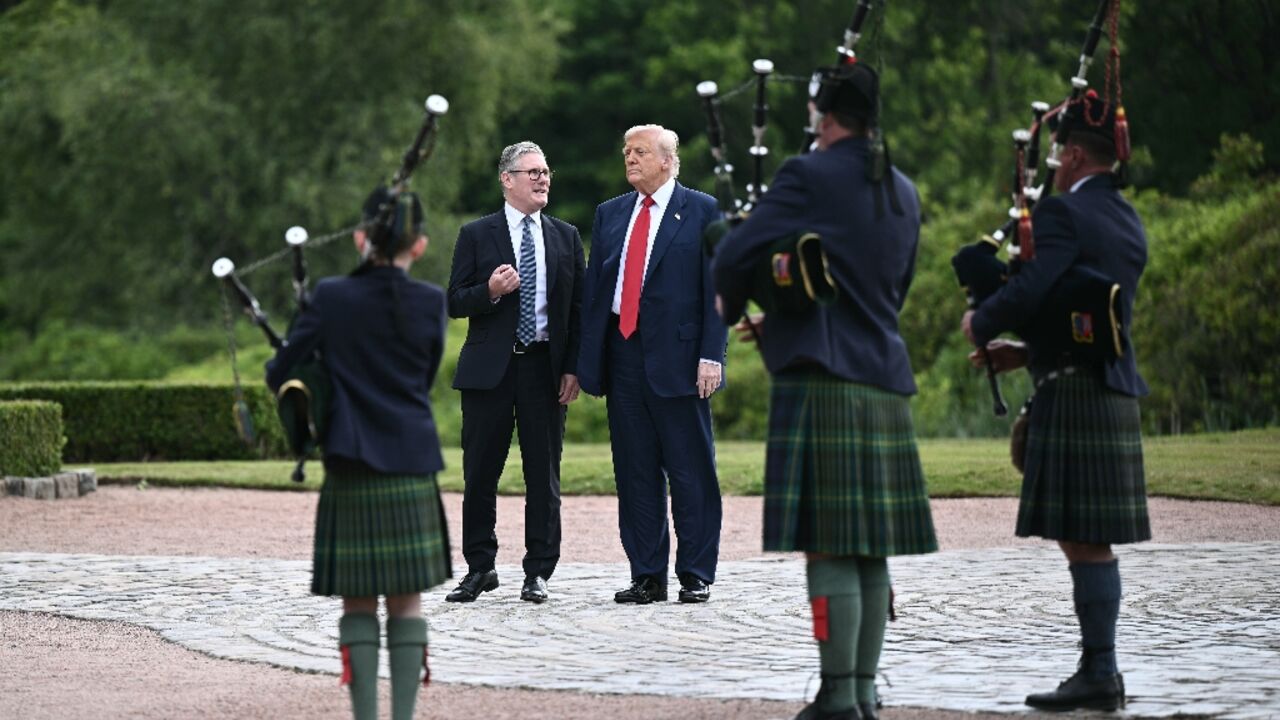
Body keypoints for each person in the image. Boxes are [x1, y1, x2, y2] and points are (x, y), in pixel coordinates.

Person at [712, 63, 937, 720]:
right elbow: (894, 288)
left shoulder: (805, 173)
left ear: (824, 114)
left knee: (828, 541)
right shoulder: (904, 189)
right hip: (885, 376)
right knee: (869, 544)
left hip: (823, 377)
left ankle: (837, 697)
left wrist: (743, 305)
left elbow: (734, 252)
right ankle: (861, 693)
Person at [962, 95, 1149, 713]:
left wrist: (981, 322)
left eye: (1058, 156)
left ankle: (1101, 671)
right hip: (1108, 381)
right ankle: (1100, 668)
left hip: (1077, 392)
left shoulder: (1066, 213)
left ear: (1071, 155)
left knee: (1084, 536)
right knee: (1085, 535)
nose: (1055, 167)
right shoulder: (1126, 218)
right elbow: (1082, 304)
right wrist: (1028, 349)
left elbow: (1037, 285)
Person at [265, 187, 450, 720]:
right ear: (418, 246)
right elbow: (423, 372)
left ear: (360, 239)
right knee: (407, 600)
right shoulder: (430, 301)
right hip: (412, 457)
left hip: (350, 458)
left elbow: (280, 372)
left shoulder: (329, 297)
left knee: (359, 602)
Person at [577, 124, 728, 605]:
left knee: (690, 473)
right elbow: (595, 294)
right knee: (635, 472)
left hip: (681, 360)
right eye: (626, 151)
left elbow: (717, 291)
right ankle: (647, 575)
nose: (630, 158)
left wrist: (711, 354)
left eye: (640, 151)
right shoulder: (610, 213)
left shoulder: (702, 210)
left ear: (668, 160)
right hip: (622, 355)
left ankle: (696, 574)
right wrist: (584, 362)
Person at [445, 141, 585, 604]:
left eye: (546, 171)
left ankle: (538, 571)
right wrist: (490, 289)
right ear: (507, 180)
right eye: (533, 172)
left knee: (542, 476)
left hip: (545, 370)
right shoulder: (476, 234)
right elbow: (454, 301)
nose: (543, 179)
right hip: (490, 372)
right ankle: (479, 568)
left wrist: (573, 369)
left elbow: (578, 311)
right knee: (480, 474)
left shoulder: (566, 236)